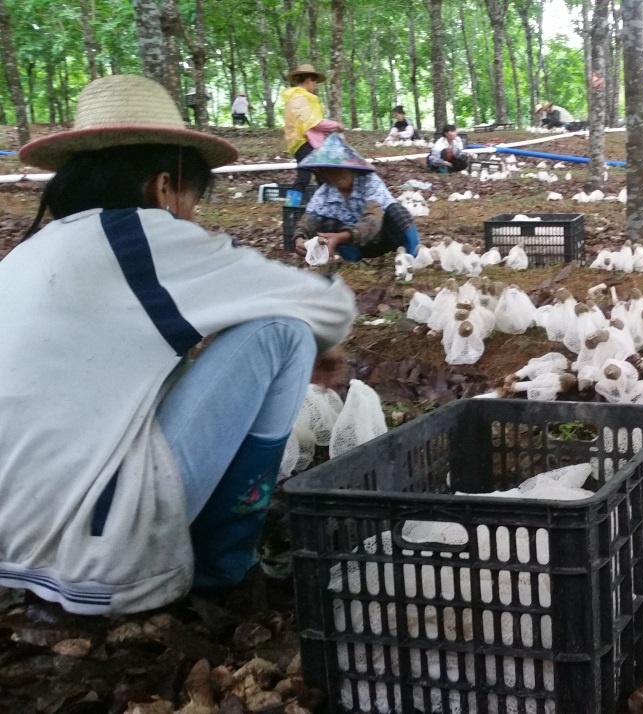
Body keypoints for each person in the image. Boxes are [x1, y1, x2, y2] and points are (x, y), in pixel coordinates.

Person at [2, 75, 356, 614]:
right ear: (164, 186)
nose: (192, 215)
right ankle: (221, 567)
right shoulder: (145, 235)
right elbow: (324, 305)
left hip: (15, 543)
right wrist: (326, 346)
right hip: (102, 555)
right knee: (281, 333)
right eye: (192, 200)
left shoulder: (30, 254)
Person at [291, 133, 421, 262]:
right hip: (358, 246)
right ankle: (353, 259)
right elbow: (309, 219)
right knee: (327, 222)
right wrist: (299, 238)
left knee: (396, 210)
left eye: (340, 169)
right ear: (324, 173)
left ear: (351, 168)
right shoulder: (324, 194)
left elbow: (373, 220)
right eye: (329, 170)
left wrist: (342, 237)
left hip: (385, 237)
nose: (336, 175)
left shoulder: (370, 182)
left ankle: (413, 253)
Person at [281, 63, 343, 202]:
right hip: (305, 143)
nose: (315, 84)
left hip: (299, 143)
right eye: (315, 81)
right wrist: (336, 125)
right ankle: (291, 208)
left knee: (322, 177)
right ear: (309, 79)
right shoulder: (302, 99)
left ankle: (325, 208)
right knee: (305, 178)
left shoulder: (294, 98)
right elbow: (315, 123)